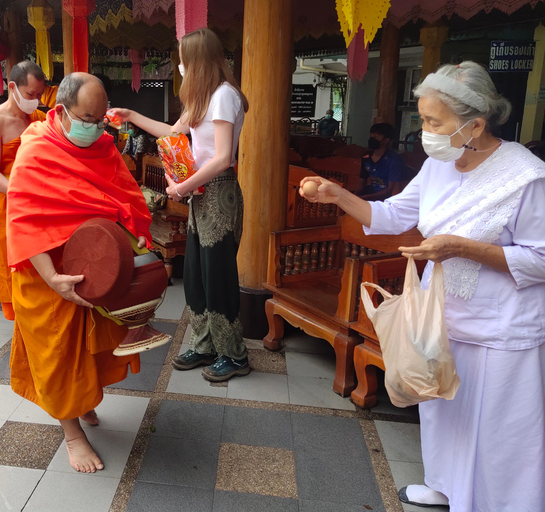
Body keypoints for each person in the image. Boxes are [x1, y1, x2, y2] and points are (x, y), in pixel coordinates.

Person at [299, 62, 545, 512]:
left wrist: (462, 249)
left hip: (499, 327)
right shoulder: (440, 163)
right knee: (442, 411)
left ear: (475, 124)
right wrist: (337, 195)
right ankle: (444, 485)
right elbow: (394, 214)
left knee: (495, 428)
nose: (424, 131)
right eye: (423, 119)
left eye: (434, 122)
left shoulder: (526, 175)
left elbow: (541, 258)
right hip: (439, 316)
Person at [6, 73, 152, 473]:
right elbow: (22, 219)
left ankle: (81, 400)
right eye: (87, 118)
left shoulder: (103, 146)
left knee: (90, 348)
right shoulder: (36, 149)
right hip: (47, 273)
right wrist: (53, 279)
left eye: (101, 119)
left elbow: (126, 199)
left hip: (92, 269)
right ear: (63, 110)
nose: (95, 127)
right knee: (56, 353)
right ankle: (72, 434)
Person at [110, 28, 250, 382]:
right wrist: (131, 115)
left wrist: (181, 187)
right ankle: (205, 345)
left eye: (183, 60)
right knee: (196, 277)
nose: (181, 66)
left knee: (218, 276)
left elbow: (221, 159)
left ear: (197, 60)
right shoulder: (203, 99)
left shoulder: (224, 97)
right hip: (200, 194)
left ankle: (234, 355)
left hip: (218, 192)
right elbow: (172, 132)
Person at [0, 61, 47, 320]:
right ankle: (16, 318)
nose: (35, 101)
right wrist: (21, 193)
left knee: (39, 258)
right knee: (8, 260)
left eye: (39, 95)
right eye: (30, 95)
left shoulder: (38, 118)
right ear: (12, 87)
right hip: (3, 199)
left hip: (36, 199)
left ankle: (38, 314)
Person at [357, 123, 407, 200]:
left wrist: (363, 198)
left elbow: (390, 190)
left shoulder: (393, 160)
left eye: (376, 136)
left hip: (385, 200)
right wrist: (354, 197)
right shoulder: (366, 157)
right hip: (369, 195)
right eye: (372, 135)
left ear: (386, 140)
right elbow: (361, 183)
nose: (373, 138)